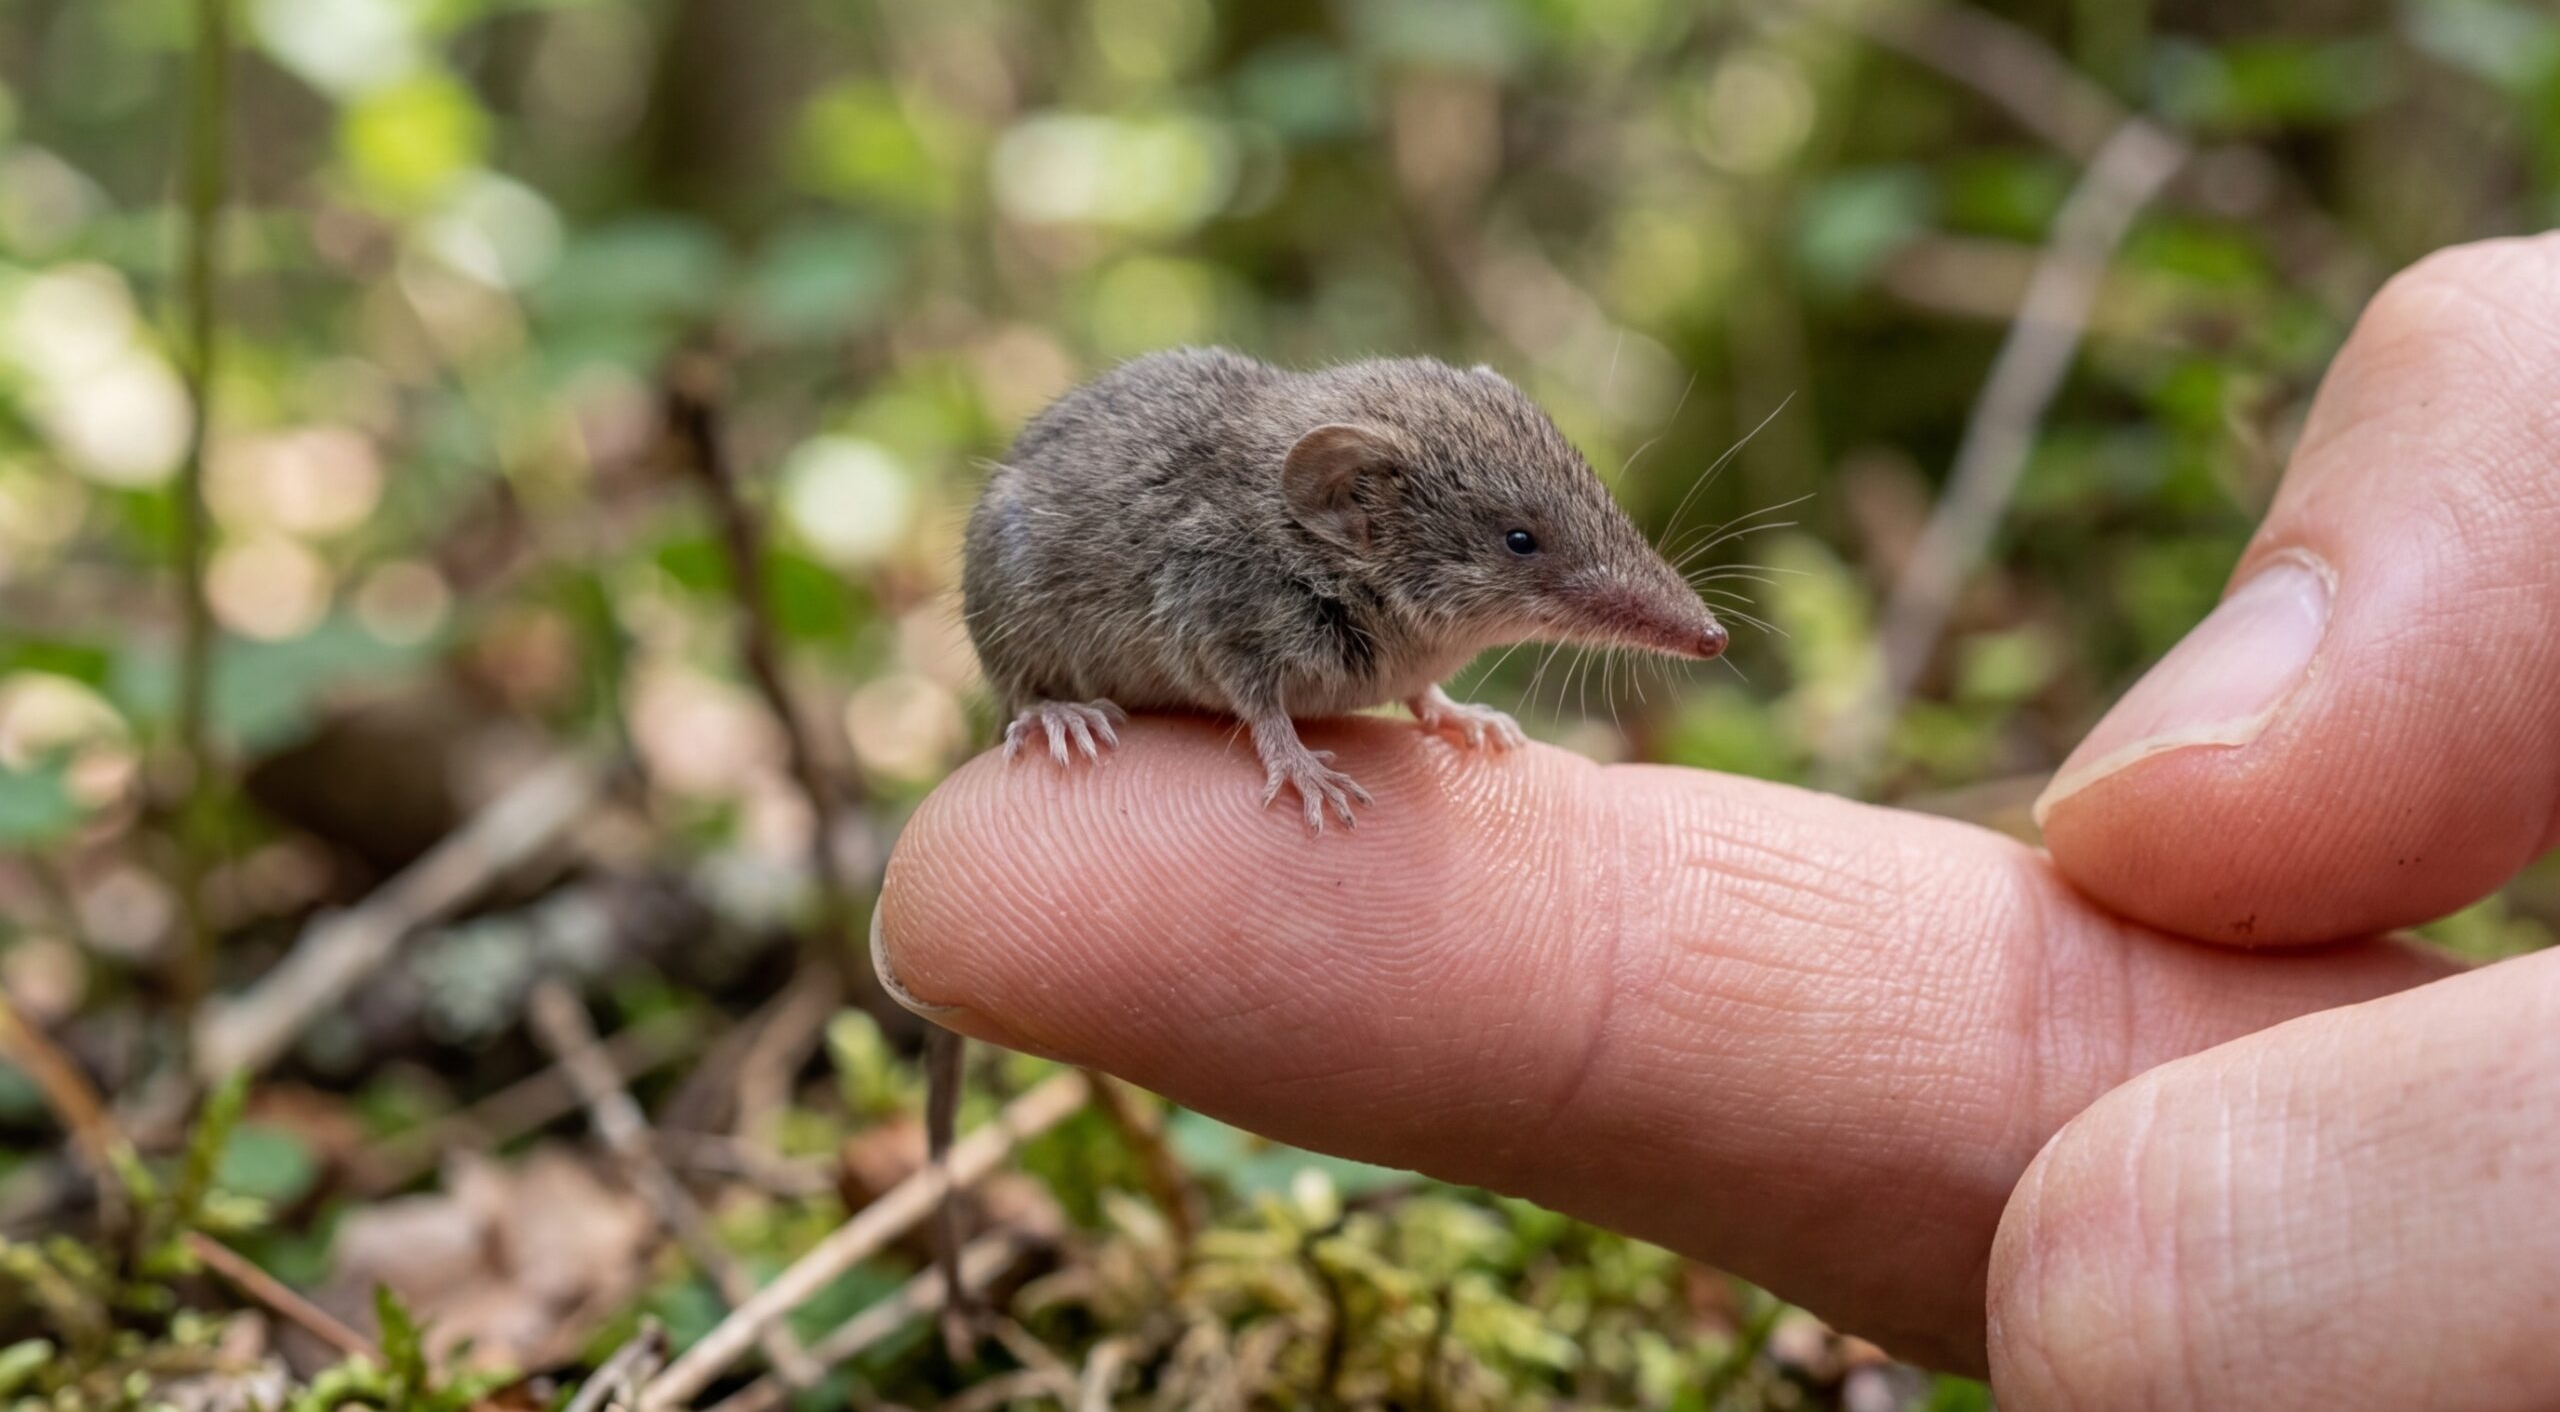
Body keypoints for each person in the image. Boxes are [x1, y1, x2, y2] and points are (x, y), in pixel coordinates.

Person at [875, 234, 2560, 1408]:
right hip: (1072, 624)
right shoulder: (1254, 556)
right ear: (1355, 511)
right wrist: (1270, 738)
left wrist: (1427, 700)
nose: (1653, 612)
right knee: (1018, 554)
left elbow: (1415, 645)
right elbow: (1219, 625)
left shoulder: (1384, 569)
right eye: (1529, 554)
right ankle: (1034, 705)